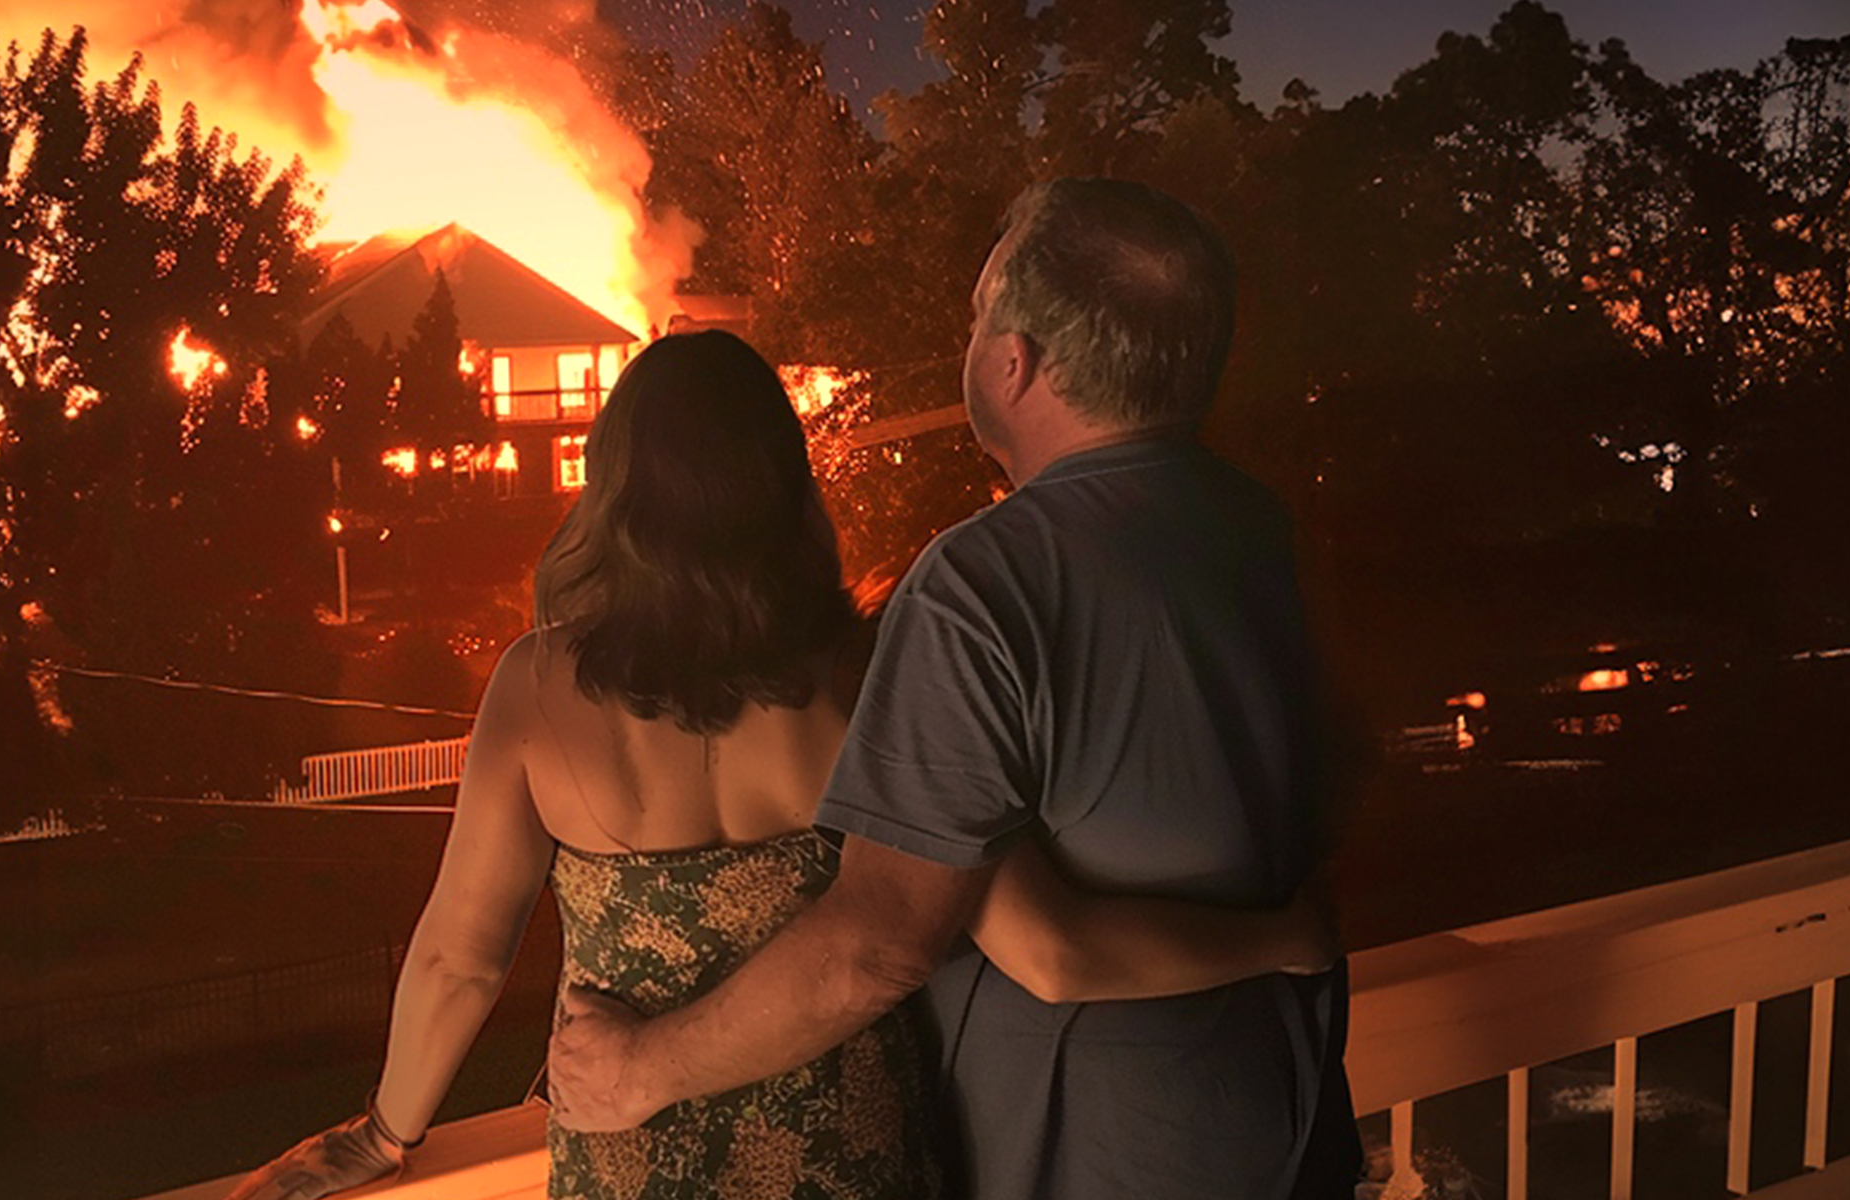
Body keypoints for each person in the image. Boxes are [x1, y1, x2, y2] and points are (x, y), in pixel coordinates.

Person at [226, 330, 1338, 1200]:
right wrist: (1276, 937)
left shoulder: (533, 688)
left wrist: (385, 1131)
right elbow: (1045, 946)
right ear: (781, 480)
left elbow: (459, 960)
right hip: (855, 1157)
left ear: (615, 487)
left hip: (636, 1162)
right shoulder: (874, 673)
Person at [548, 183, 1365, 1198]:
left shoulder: (986, 583)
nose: (968, 339)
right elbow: (1337, 795)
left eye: (979, 316)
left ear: (1015, 362)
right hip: (1289, 1121)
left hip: (1098, 1155)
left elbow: (879, 947)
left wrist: (639, 1071)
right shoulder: (1273, 534)